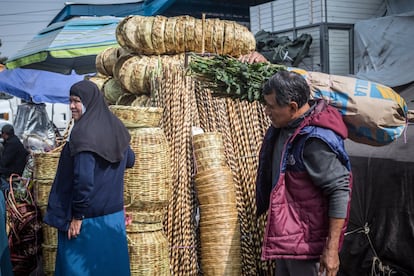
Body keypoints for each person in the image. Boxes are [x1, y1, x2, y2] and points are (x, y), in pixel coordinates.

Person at [255, 70, 352, 276]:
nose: (266, 111)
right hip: (288, 243)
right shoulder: (283, 128)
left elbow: (340, 190)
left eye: (271, 107)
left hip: (309, 250)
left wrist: (331, 250)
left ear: (292, 107)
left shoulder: (314, 141)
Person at [44, 80, 135, 276]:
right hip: (112, 218)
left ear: (89, 101)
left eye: (76, 101)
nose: (71, 106)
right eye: (70, 101)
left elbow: (84, 180)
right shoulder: (115, 126)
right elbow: (129, 160)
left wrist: (77, 217)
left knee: (78, 268)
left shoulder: (83, 133)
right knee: (111, 269)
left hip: (89, 221)